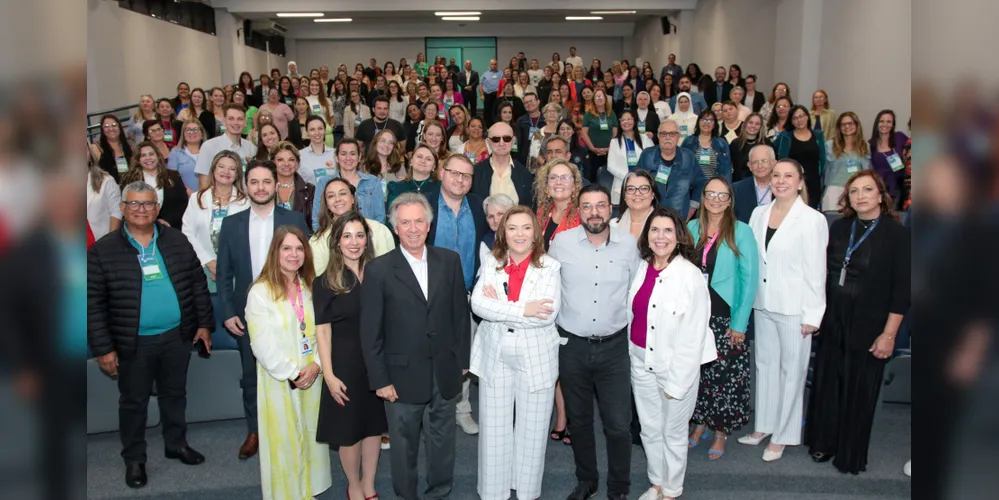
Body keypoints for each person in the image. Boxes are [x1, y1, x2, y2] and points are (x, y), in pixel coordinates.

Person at [87, 181, 213, 488]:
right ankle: (134, 459)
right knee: (134, 402)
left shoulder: (176, 241)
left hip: (176, 336)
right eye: (134, 204)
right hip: (133, 342)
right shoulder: (103, 250)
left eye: (147, 204)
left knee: (175, 394)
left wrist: (203, 324)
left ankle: (176, 444)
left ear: (157, 208)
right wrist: (104, 348)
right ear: (123, 208)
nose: (141, 210)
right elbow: (92, 303)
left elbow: (197, 283)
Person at [360, 192, 471, 500]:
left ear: (429, 225)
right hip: (400, 377)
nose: (412, 228)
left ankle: (439, 492)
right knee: (404, 446)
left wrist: (462, 358)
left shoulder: (449, 261)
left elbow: (459, 314)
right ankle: (406, 495)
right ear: (395, 228)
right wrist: (380, 380)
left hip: (444, 371)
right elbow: (370, 332)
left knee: (443, 441)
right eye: (405, 222)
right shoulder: (379, 269)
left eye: (418, 221)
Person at [805, 171, 910, 474]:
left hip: (871, 323)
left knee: (858, 388)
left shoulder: (897, 234)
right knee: (828, 381)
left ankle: (849, 452)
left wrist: (889, 334)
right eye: (854, 192)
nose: (860, 196)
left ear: (881, 195)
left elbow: (903, 291)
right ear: (847, 198)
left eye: (867, 190)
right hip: (834, 318)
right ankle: (823, 441)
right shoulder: (839, 227)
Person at [549, 184, 641, 500]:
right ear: (579, 210)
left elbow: (635, 292)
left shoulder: (629, 246)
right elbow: (546, 284)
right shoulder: (561, 243)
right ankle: (586, 480)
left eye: (600, 205)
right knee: (580, 421)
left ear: (611, 209)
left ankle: (618, 489)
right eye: (587, 206)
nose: (594, 212)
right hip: (572, 346)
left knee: (618, 425)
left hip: (614, 347)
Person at [216, 160, 311, 461]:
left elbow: (306, 262)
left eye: (266, 182)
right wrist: (228, 310)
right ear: (245, 186)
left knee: (295, 366)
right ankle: (255, 430)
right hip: (250, 314)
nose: (260, 187)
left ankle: (300, 427)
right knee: (251, 374)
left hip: (292, 307)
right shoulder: (232, 224)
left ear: (276, 185)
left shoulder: (293, 217)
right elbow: (223, 273)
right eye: (254, 182)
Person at [468, 204, 563, 500]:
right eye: (512, 228)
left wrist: (501, 307)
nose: (519, 234)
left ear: (535, 233)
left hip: (536, 355)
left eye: (525, 227)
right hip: (495, 352)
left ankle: (526, 491)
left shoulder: (550, 266)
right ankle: (493, 492)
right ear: (503, 233)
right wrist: (523, 308)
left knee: (532, 429)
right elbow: (479, 306)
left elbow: (546, 314)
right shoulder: (491, 262)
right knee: (494, 428)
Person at [740, 158, 828, 462]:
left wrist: (813, 315)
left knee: (792, 371)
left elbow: (817, 271)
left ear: (800, 182)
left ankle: (785, 435)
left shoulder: (813, 219)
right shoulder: (758, 213)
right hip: (763, 302)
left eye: (788, 175)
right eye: (776, 175)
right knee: (764, 364)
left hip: (795, 308)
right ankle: (764, 424)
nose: (780, 180)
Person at [628, 207, 715, 500]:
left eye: (667, 230)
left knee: (673, 434)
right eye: (654, 230)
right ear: (647, 235)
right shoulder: (642, 267)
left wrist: (678, 382)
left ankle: (672, 490)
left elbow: (694, 336)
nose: (660, 236)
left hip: (675, 369)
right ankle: (657, 482)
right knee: (650, 430)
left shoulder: (690, 276)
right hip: (640, 363)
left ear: (678, 236)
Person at [244, 225, 332, 500]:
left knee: (310, 435)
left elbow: (322, 330)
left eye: (299, 248)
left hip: (312, 376)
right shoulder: (260, 292)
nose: (294, 254)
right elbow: (261, 343)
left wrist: (317, 365)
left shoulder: (308, 286)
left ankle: (311, 488)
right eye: (287, 248)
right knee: (284, 438)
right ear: (275, 252)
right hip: (280, 380)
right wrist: (293, 374)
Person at [313, 213, 388, 500]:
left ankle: (369, 482)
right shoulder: (325, 282)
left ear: (367, 239)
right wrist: (329, 376)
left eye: (359, 235)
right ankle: (354, 485)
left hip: (375, 363)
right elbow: (322, 333)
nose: (354, 242)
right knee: (349, 431)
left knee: (372, 427)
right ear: (337, 242)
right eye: (347, 236)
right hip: (343, 365)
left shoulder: (379, 274)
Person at [686, 177, 759, 461]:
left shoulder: (741, 231)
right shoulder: (692, 227)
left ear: (730, 200)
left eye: (722, 195)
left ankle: (721, 431)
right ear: (703, 197)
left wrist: (739, 324)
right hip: (696, 315)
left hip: (725, 315)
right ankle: (700, 422)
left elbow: (749, 279)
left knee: (725, 377)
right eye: (710, 194)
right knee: (699, 375)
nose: (716, 199)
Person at [425, 155, 489, 435]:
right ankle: (428, 409)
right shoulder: (424, 201)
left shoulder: (476, 205)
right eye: (455, 173)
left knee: (463, 353)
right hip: (428, 294)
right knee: (426, 354)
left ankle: (462, 410)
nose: (460, 179)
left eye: (467, 175)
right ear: (442, 172)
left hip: (466, 294)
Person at [181, 151, 250, 350]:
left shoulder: (245, 202)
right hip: (203, 269)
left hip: (235, 272)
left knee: (236, 318)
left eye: (232, 168)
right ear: (213, 170)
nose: (226, 172)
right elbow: (187, 232)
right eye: (221, 167)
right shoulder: (197, 199)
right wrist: (208, 261)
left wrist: (226, 266)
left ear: (238, 174)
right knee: (209, 316)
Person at [311, 177, 395, 274]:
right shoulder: (318, 241)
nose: (338, 199)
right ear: (326, 204)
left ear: (352, 199)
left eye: (342, 193)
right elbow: (315, 280)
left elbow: (389, 271)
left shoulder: (378, 230)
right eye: (331, 196)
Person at [636, 121, 707, 220]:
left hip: (679, 218)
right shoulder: (647, 155)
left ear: (678, 136)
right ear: (658, 136)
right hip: (650, 217)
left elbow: (701, 183)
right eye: (664, 133)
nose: (667, 137)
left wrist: (693, 207)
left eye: (672, 134)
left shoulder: (688, 157)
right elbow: (635, 182)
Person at [312, 139, 386, 230]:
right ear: (336, 158)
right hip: (332, 238)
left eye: (352, 153)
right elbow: (317, 218)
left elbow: (380, 218)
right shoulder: (324, 183)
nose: (348, 158)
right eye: (343, 154)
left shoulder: (373, 182)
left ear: (359, 157)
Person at [120, 141, 189, 229]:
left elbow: (183, 203)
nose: (148, 158)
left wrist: (168, 222)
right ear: (138, 159)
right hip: (139, 228)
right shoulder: (129, 179)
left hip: (170, 228)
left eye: (151, 154)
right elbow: (126, 205)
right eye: (143, 155)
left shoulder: (173, 176)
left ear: (158, 156)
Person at [773, 105, 826, 209]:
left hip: (813, 183)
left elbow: (823, 160)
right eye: (795, 118)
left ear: (807, 117)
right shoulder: (785, 137)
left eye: (801, 116)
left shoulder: (818, 136)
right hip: (791, 182)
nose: (799, 120)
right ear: (791, 121)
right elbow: (772, 150)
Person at [471, 122, 535, 206]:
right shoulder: (476, 172)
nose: (501, 143)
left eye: (507, 138)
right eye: (496, 139)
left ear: (513, 141)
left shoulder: (525, 174)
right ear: (488, 142)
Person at [194, 104, 257, 190]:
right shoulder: (209, 146)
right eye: (231, 118)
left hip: (246, 201)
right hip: (219, 201)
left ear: (245, 122)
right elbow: (203, 183)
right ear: (224, 121)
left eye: (240, 119)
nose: (236, 122)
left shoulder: (252, 148)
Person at [823, 112, 872, 212]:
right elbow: (824, 169)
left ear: (856, 125)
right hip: (834, 190)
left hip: (856, 190)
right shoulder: (829, 145)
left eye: (850, 123)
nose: (847, 126)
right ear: (839, 127)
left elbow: (867, 170)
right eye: (843, 124)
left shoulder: (864, 146)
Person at [607, 110, 655, 204]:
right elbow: (610, 166)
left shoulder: (645, 139)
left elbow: (653, 159)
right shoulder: (614, 142)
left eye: (629, 119)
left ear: (634, 121)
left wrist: (642, 177)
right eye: (623, 120)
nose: (626, 122)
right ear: (619, 123)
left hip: (643, 182)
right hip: (622, 183)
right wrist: (628, 177)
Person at [534, 158, 583, 251]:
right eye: (553, 177)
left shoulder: (582, 215)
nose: (559, 182)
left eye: (565, 177)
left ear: (574, 186)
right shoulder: (542, 211)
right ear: (546, 186)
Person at [681, 109, 734, 182]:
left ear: (714, 124)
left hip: (714, 187)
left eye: (710, 120)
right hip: (692, 187)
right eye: (704, 120)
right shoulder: (688, 142)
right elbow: (681, 166)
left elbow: (726, 171)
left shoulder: (721, 144)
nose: (707, 123)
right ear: (698, 122)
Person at [272, 141, 316, 227]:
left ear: (297, 164)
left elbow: (313, 224)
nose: (286, 164)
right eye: (280, 160)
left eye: (291, 160)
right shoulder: (265, 189)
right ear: (273, 163)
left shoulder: (310, 191)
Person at [868, 109, 908, 202]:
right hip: (879, 189)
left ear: (893, 124)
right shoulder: (870, 145)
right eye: (882, 121)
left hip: (899, 188)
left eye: (889, 122)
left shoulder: (900, 137)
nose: (885, 124)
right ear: (876, 123)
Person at [580, 88, 618, 185]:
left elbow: (615, 132)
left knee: (609, 178)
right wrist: (592, 148)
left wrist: (609, 148)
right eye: (597, 96)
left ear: (605, 99)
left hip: (610, 152)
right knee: (593, 178)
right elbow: (584, 133)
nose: (599, 98)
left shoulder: (611, 113)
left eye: (601, 96)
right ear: (593, 100)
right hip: (593, 152)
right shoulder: (588, 114)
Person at [386, 143, 441, 209]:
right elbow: (390, 216)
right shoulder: (396, 188)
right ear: (411, 161)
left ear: (434, 166)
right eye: (419, 156)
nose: (423, 161)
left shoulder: (442, 188)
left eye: (428, 159)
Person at [732, 144, 776, 223]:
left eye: (764, 161)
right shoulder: (736, 189)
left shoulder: (782, 188)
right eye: (755, 162)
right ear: (749, 166)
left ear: (773, 163)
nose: (760, 166)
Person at [610, 169, 660, 239]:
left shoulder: (665, 225)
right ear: (624, 196)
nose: (637, 193)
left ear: (653, 194)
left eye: (644, 188)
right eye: (631, 189)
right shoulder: (612, 226)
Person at [87, 148, 123, 240]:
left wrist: (110, 242)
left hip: (101, 241)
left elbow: (116, 212)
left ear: (90, 156)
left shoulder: (106, 180)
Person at [91, 114, 135, 185]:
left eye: (114, 125)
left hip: (129, 187)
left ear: (119, 127)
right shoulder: (96, 148)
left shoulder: (130, 146)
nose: (111, 129)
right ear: (102, 130)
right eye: (106, 126)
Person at [729, 113, 771, 181]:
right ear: (745, 124)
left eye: (757, 124)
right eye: (750, 122)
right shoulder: (735, 144)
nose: (753, 126)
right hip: (739, 183)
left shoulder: (766, 143)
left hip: (762, 181)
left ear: (761, 127)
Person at [167, 120, 206, 192]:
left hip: (208, 197)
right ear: (183, 135)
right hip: (184, 197)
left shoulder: (209, 152)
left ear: (202, 134)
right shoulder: (175, 152)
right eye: (187, 130)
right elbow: (172, 178)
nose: (191, 132)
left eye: (195, 129)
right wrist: (191, 195)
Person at [298, 116, 337, 185]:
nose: (317, 132)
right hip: (310, 195)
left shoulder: (335, 153)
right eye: (312, 129)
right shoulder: (299, 155)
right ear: (307, 132)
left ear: (325, 130)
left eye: (320, 128)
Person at [479, 193, 516, 265]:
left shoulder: (525, 237)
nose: (496, 220)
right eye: (491, 216)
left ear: (512, 213)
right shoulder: (486, 242)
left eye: (500, 214)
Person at [481, 59, 503, 126]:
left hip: (497, 95)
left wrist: (502, 93)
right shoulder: (485, 73)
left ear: (497, 65)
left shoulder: (501, 73)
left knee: (497, 110)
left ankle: (497, 124)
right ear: (490, 65)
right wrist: (482, 95)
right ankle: (487, 126)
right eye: (492, 64)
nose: (493, 65)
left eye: (495, 64)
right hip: (487, 94)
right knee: (487, 111)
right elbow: (481, 84)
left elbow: (503, 84)